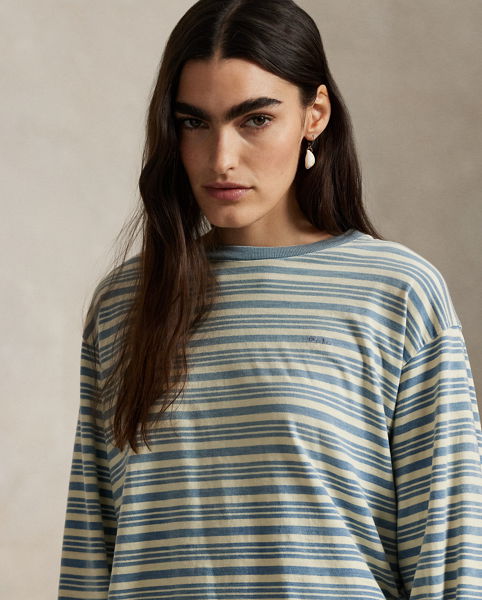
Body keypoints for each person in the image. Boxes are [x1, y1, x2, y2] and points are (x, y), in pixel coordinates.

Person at [57, 0, 482, 598]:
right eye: (194, 122)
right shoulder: (125, 303)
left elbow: (449, 557)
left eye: (254, 119)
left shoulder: (398, 294)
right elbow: (90, 545)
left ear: (314, 115)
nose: (220, 158)